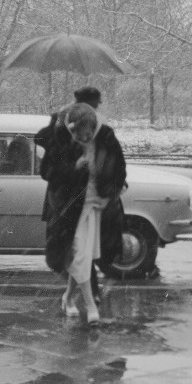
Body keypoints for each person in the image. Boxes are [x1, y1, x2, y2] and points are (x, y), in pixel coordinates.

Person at [38, 102, 126, 326]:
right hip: (68, 210)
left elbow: (119, 171)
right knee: (79, 255)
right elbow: (47, 172)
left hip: (95, 207)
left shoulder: (106, 139)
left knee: (82, 256)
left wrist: (111, 194)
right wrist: (73, 166)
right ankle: (90, 306)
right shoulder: (62, 138)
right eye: (78, 137)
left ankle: (68, 298)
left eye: (87, 136)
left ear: (94, 128)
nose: (83, 141)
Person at [35, 85, 110, 301]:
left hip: (81, 200)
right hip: (63, 202)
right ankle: (81, 295)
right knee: (68, 252)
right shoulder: (61, 130)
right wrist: (75, 165)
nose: (98, 108)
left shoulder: (92, 130)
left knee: (81, 250)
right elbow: (48, 167)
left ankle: (82, 294)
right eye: (96, 103)